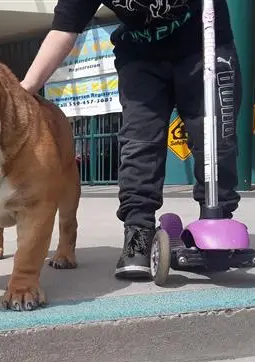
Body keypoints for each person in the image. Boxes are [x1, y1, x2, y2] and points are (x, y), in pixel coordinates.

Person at [20, 0, 242, 279]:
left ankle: (218, 218)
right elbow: (64, 28)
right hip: (140, 55)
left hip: (204, 43)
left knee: (215, 136)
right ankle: (138, 233)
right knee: (140, 142)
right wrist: (27, 87)